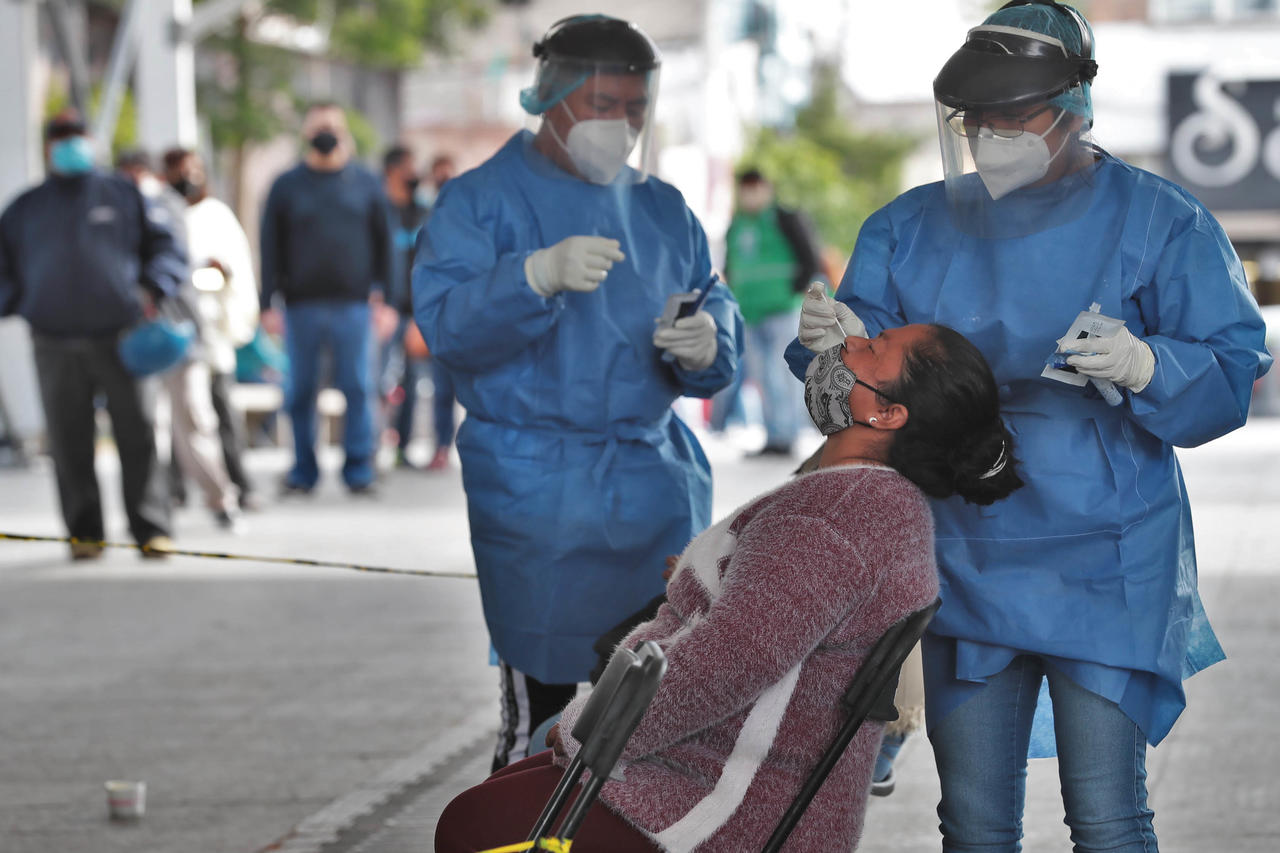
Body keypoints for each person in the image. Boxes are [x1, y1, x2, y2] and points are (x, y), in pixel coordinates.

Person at [785, 3, 1272, 850]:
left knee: (1109, 815)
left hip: (1107, 552)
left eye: (1014, 118)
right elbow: (853, 383)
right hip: (964, 547)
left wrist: (1150, 366)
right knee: (973, 820)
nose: (992, 137)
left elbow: (1232, 368)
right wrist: (824, 350)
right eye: (979, 123)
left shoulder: (1159, 219)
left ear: (1074, 106)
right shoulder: (909, 225)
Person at [435, 324, 1024, 853]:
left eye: (870, 350)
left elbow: (725, 666)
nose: (845, 344)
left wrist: (589, 732)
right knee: (511, 779)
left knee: (471, 824)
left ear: (889, 414)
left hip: (724, 804)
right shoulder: (865, 499)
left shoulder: (836, 515)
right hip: (731, 771)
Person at [413, 14, 744, 771]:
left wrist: (708, 342)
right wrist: (527, 278)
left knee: (648, 707)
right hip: (537, 489)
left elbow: (709, 306)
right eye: (602, 105)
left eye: (634, 107)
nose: (621, 125)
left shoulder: (662, 209)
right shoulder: (480, 203)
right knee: (549, 711)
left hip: (654, 482)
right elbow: (448, 327)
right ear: (550, 98)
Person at [0, 110, 184, 559]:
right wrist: (21, 303)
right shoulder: (26, 208)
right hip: (54, 341)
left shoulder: (123, 194)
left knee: (137, 435)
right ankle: (85, 532)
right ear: (47, 146)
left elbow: (167, 248)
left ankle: (151, 528)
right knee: (68, 440)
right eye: (60, 137)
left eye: (76, 135)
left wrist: (156, 285)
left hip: (121, 338)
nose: (69, 143)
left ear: (89, 139)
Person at [260, 101, 392, 495]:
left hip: (355, 306)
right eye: (318, 126)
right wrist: (267, 302)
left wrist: (388, 300)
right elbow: (270, 247)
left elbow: (385, 246)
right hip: (300, 307)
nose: (325, 133)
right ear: (305, 133)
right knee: (299, 392)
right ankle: (303, 471)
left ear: (344, 131)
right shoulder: (286, 186)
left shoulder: (366, 184)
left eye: (332, 126)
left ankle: (359, 471)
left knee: (358, 388)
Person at [117, 151, 244, 531]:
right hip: (135, 337)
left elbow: (174, 264)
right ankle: (156, 506)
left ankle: (222, 500)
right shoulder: (115, 211)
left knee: (193, 422)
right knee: (146, 428)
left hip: (178, 334)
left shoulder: (167, 208)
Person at [163, 147, 262, 512]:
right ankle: (175, 488)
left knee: (221, 412)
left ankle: (239, 482)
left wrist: (211, 276)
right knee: (181, 415)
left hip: (213, 328)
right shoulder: (161, 212)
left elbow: (232, 269)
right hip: (176, 329)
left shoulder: (217, 216)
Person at [714, 168, 823, 456]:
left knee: (782, 375)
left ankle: (787, 435)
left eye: (755, 186)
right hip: (749, 312)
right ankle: (774, 435)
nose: (750, 193)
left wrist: (794, 290)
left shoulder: (784, 218)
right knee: (762, 377)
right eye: (745, 187)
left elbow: (809, 255)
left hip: (781, 310)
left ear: (767, 187)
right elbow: (731, 264)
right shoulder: (736, 223)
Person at [378, 144, 430, 469]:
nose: (413, 175)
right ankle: (373, 445)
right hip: (381, 310)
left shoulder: (422, 213)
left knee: (411, 382)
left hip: (414, 313)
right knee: (376, 381)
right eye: (406, 168)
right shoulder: (377, 210)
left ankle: (403, 447)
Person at [422, 154, 458, 471]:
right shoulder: (425, 216)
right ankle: (441, 446)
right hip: (440, 318)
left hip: (471, 316)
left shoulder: (473, 215)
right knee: (442, 389)